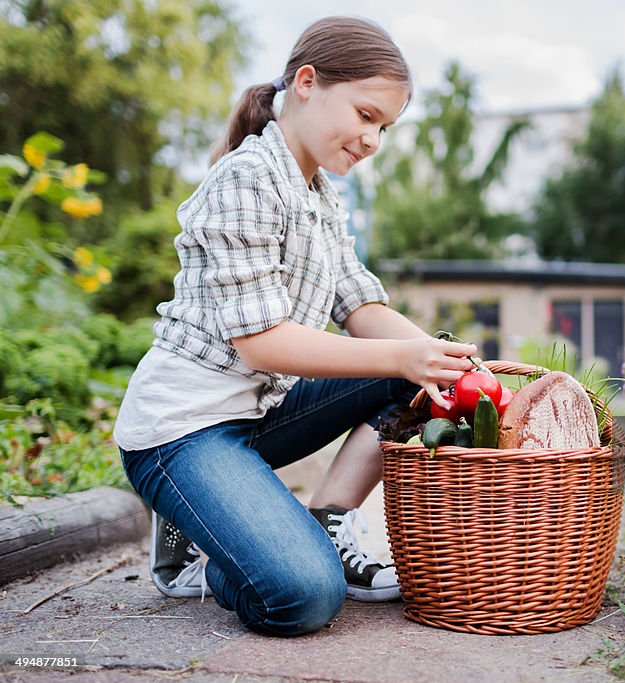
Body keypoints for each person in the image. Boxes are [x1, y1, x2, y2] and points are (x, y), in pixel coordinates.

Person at [114, 16, 477, 637]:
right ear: (306, 83)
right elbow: (263, 341)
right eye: (365, 115)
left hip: (256, 418)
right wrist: (403, 359)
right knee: (303, 596)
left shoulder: (320, 197)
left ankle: (329, 519)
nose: (373, 141)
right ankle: (206, 536)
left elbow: (361, 307)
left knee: (419, 367)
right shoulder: (245, 179)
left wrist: (450, 362)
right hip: (181, 432)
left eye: (384, 128)